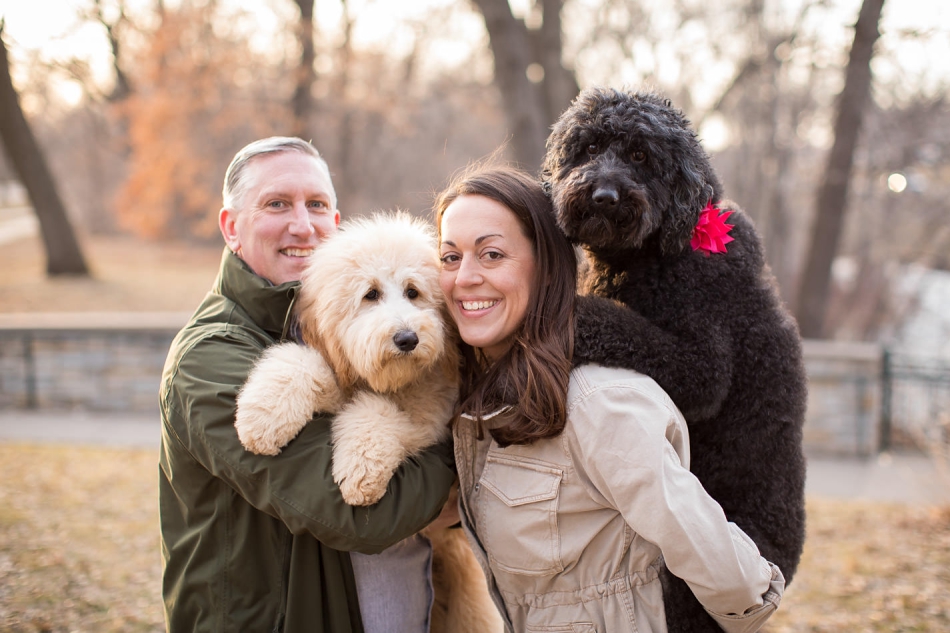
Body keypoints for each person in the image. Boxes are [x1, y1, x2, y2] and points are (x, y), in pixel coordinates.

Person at [434, 165, 786, 633]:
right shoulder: (486, 398)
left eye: (492, 254)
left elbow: (736, 581)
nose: (465, 277)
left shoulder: (596, 400)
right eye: (450, 257)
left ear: (546, 265)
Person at [159, 136, 457, 633]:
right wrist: (455, 469)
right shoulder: (208, 358)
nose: (303, 224)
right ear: (232, 227)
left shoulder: (320, 325)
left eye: (316, 204)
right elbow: (358, 513)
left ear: (336, 226)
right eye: (277, 204)